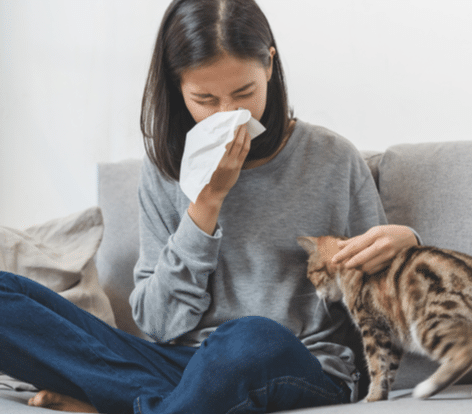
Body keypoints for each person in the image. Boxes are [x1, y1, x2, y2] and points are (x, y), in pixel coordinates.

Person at [0, 0, 419, 413]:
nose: (229, 114)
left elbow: (381, 310)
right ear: (177, 86)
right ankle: (161, 402)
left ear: (269, 66)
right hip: (181, 366)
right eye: (205, 99)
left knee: (251, 337)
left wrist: (407, 245)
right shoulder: (165, 171)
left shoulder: (332, 159)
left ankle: (130, 400)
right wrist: (206, 204)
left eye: (244, 92)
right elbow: (159, 325)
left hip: (296, 363)